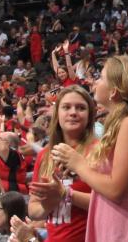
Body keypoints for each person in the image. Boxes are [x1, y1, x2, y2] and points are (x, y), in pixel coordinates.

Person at [51, 56, 128, 241]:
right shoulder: (123, 123)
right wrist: (77, 169)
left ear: (114, 91)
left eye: (102, 78)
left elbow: (116, 189)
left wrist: (78, 164)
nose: (96, 81)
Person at [28, 85, 97, 242]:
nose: (73, 112)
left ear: (90, 115)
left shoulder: (100, 151)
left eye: (80, 108)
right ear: (57, 114)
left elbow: (109, 204)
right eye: (66, 107)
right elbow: (33, 210)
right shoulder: (45, 155)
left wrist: (65, 194)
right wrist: (48, 204)